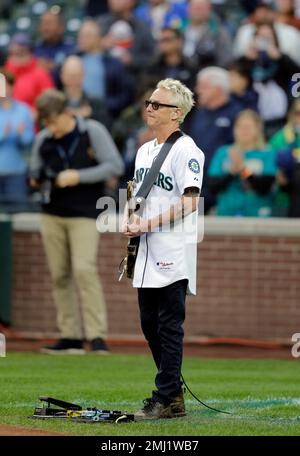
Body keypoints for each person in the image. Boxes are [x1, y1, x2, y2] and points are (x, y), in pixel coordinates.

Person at [122, 78, 204, 420]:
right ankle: (171, 392)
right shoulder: (144, 150)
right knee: (148, 323)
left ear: (177, 113)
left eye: (157, 105)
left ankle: (166, 395)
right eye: (148, 103)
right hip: (145, 249)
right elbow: (139, 195)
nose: (149, 108)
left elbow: (190, 202)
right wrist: (130, 219)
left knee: (170, 324)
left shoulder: (187, 150)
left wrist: (147, 224)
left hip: (173, 247)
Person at [29, 89, 124, 354]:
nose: (51, 129)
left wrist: (78, 176)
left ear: (66, 113)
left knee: (84, 270)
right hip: (52, 213)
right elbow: (34, 172)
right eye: (46, 124)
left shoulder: (91, 131)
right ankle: (69, 335)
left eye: (54, 122)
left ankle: (96, 335)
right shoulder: (43, 139)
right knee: (59, 275)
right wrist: (37, 178)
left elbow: (114, 166)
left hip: (84, 213)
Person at [208, 109, 276, 217]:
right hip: (226, 213)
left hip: (257, 215)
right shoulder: (223, 152)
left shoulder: (267, 153)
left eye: (248, 127)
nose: (244, 131)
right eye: (240, 126)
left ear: (258, 129)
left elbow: (265, 187)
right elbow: (212, 187)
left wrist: (244, 171)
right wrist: (232, 173)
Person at [0, 71, 34, 211]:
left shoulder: (24, 110)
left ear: (12, 87)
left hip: (16, 172)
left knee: (17, 214)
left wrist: (21, 135)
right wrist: (4, 134)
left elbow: (29, 142)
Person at [4, 33, 54, 116]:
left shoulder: (40, 74)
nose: (16, 57)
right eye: (13, 53)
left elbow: (49, 101)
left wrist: (31, 115)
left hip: (30, 122)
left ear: (30, 53)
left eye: (21, 53)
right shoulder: (5, 71)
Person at [269, 99, 300, 217]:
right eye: (298, 113)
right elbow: (269, 163)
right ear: (290, 115)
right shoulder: (280, 138)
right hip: (283, 199)